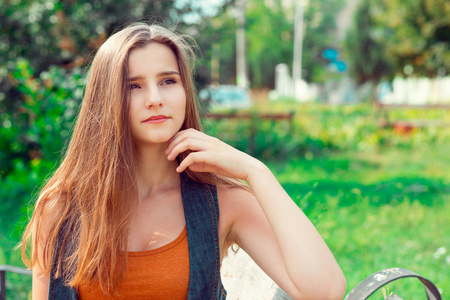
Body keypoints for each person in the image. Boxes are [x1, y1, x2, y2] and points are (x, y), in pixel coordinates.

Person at [21, 23, 346, 300]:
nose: (155, 99)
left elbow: (326, 290)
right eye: (133, 86)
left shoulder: (223, 203)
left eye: (168, 81)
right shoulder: (62, 208)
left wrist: (257, 172)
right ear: (106, 99)